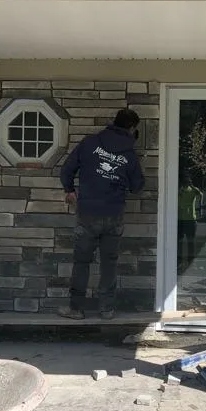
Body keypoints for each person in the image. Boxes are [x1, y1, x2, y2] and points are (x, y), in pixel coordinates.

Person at [58, 108, 145, 320]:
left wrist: (70, 190)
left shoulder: (89, 143)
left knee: (81, 262)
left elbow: (66, 170)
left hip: (87, 212)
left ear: (113, 122)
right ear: (132, 128)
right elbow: (137, 187)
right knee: (109, 263)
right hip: (113, 214)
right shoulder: (130, 155)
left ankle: (76, 309)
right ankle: (106, 309)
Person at [177, 172, 203, 269]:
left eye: (188, 179)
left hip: (191, 219)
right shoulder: (179, 191)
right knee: (179, 241)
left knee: (190, 241)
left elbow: (201, 196)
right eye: (185, 179)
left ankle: (190, 261)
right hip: (180, 219)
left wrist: (193, 187)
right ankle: (178, 260)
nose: (186, 181)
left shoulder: (193, 190)